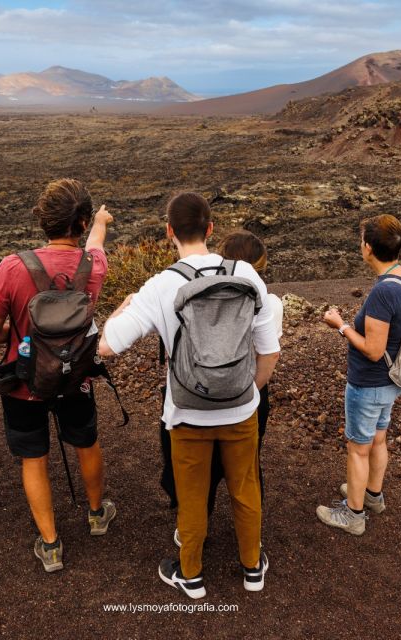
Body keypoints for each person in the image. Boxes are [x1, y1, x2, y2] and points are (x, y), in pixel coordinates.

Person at [99, 193, 280, 599]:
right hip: (241, 409)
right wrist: (248, 392)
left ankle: (191, 575)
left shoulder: (161, 285)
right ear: (211, 228)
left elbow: (107, 346)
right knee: (245, 487)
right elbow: (269, 351)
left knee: (192, 495)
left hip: (186, 413)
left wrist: (121, 308)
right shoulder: (248, 276)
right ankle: (252, 569)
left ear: (169, 232)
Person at [0, 179, 116, 573]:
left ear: (44, 222)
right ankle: (96, 514)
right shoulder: (93, 267)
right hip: (76, 379)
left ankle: (51, 544)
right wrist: (102, 223)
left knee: (33, 459)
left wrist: (25, 332)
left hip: (24, 382)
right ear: (83, 221)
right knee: (86, 443)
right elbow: (96, 245)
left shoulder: (12, 266)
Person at [159, 230, 283, 538]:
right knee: (247, 465)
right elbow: (268, 352)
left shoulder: (191, 296)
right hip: (249, 390)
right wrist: (248, 391)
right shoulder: (269, 302)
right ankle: (250, 538)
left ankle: (193, 526)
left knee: (196, 468)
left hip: (196, 391)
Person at [317, 214, 401, 536]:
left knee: (358, 448)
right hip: (392, 381)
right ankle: (373, 496)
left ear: (368, 248)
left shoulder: (382, 293)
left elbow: (373, 350)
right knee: (378, 438)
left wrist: (341, 326)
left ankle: (354, 515)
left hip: (370, 382)